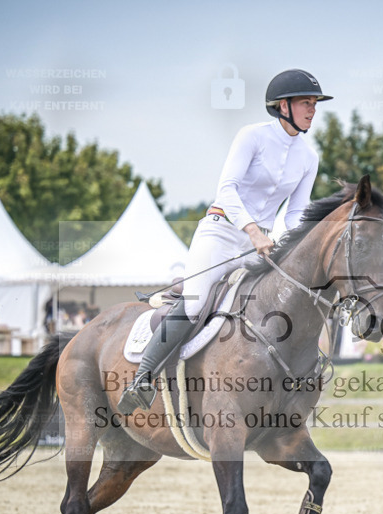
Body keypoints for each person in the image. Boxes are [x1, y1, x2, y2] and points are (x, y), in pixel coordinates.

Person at [118, 69, 332, 413]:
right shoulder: (252, 137)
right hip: (220, 233)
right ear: (283, 106)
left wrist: (296, 245)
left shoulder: (308, 157)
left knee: (276, 301)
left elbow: (295, 213)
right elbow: (227, 190)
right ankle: (143, 378)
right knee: (193, 304)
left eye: (315, 103)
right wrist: (253, 230)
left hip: (259, 245)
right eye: (306, 102)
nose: (313, 109)